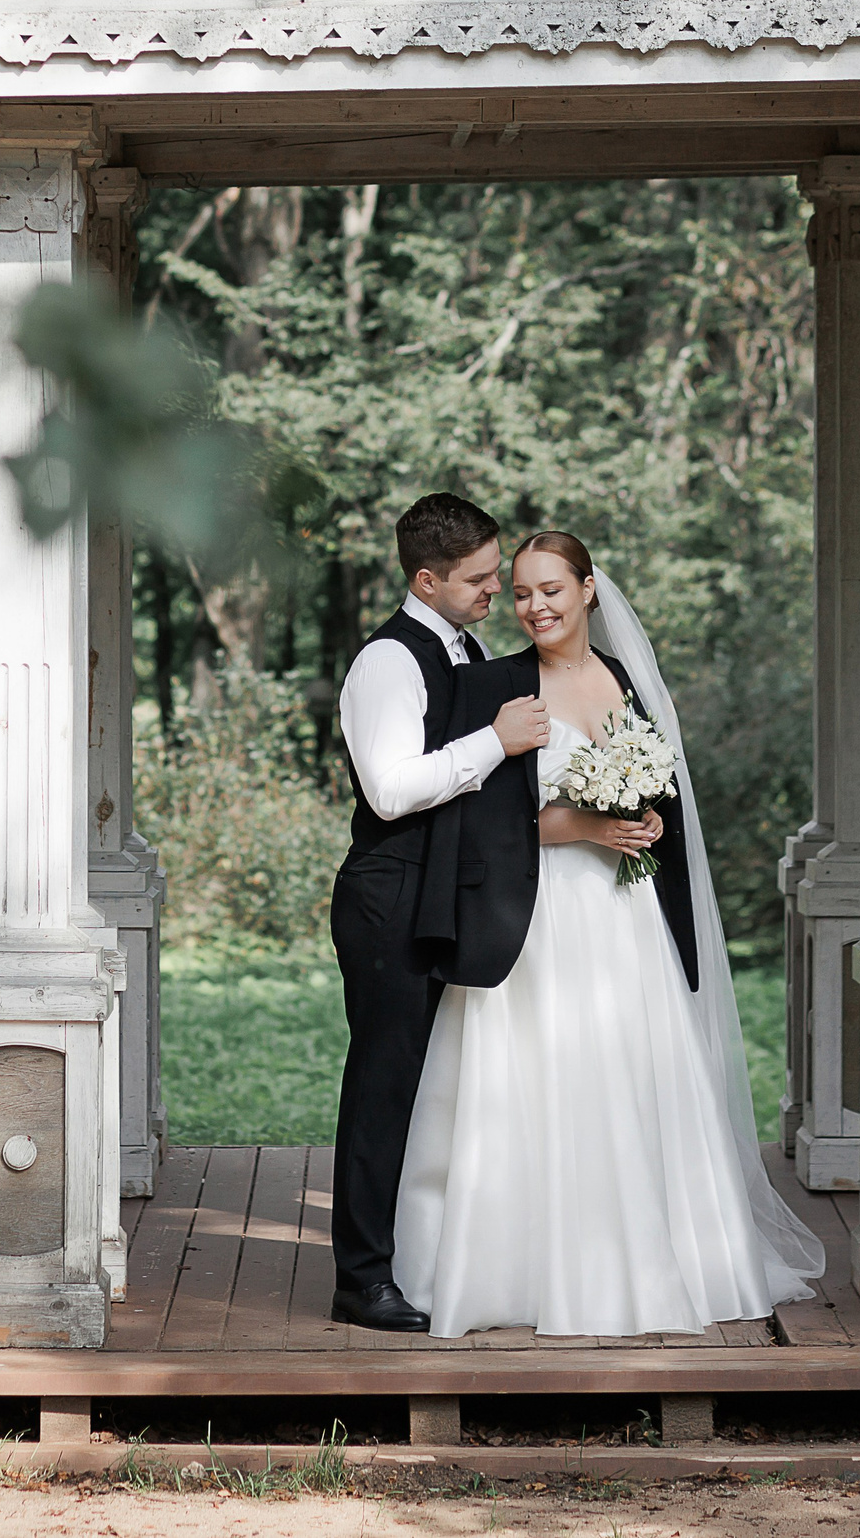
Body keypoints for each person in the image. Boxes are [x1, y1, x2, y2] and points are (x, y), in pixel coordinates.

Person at [393, 530, 827, 1337]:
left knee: (632, 1074)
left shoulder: (623, 680)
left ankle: (659, 1259)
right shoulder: (494, 684)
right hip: (535, 918)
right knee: (535, 1081)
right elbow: (481, 825)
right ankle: (521, 1273)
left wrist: (645, 818)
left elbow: (655, 795)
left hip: (624, 918)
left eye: (551, 589)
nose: (535, 606)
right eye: (521, 593)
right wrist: (589, 825)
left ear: (588, 589)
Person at [326, 494, 551, 1333]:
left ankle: (420, 1254)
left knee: (437, 1086)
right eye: (479, 578)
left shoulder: (468, 645)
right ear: (427, 579)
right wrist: (497, 739)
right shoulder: (388, 661)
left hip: (443, 892)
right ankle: (361, 1279)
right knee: (382, 1087)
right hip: (389, 896)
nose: (497, 590)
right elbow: (390, 790)